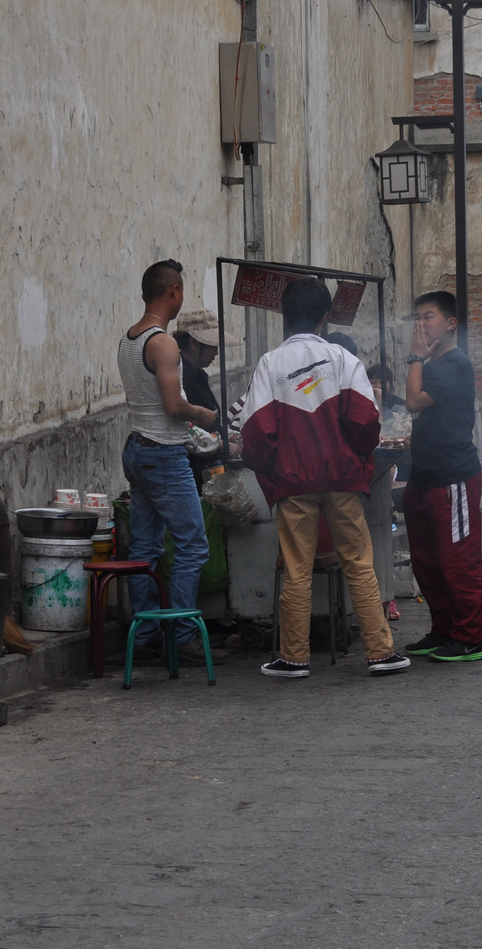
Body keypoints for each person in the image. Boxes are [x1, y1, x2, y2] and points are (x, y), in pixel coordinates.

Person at [239, 277, 409, 678]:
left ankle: (294, 657)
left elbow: (257, 432)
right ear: (326, 315)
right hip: (342, 480)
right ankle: (380, 652)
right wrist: (354, 455)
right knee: (359, 562)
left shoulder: (270, 363)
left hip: (295, 483)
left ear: (284, 315)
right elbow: (367, 422)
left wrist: (271, 469)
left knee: (297, 568)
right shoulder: (343, 360)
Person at [117, 260, 219, 652]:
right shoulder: (163, 342)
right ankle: (182, 635)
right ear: (173, 291)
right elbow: (174, 407)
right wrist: (205, 415)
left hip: (137, 447)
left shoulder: (129, 338)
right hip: (162, 451)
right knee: (193, 545)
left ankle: (143, 639)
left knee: (145, 546)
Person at [399, 291, 482, 663]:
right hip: (424, 476)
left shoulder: (454, 363)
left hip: (453, 477)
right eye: (418, 318)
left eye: (429, 317)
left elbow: (415, 401)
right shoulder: (432, 363)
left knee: (457, 560)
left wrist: (416, 356)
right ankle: (442, 630)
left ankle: (468, 639)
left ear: (451, 324)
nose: (421, 324)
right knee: (427, 562)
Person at [172, 308, 237, 433]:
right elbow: (186, 427)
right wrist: (219, 445)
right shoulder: (180, 378)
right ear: (194, 344)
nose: (216, 352)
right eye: (212, 346)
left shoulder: (198, 375)